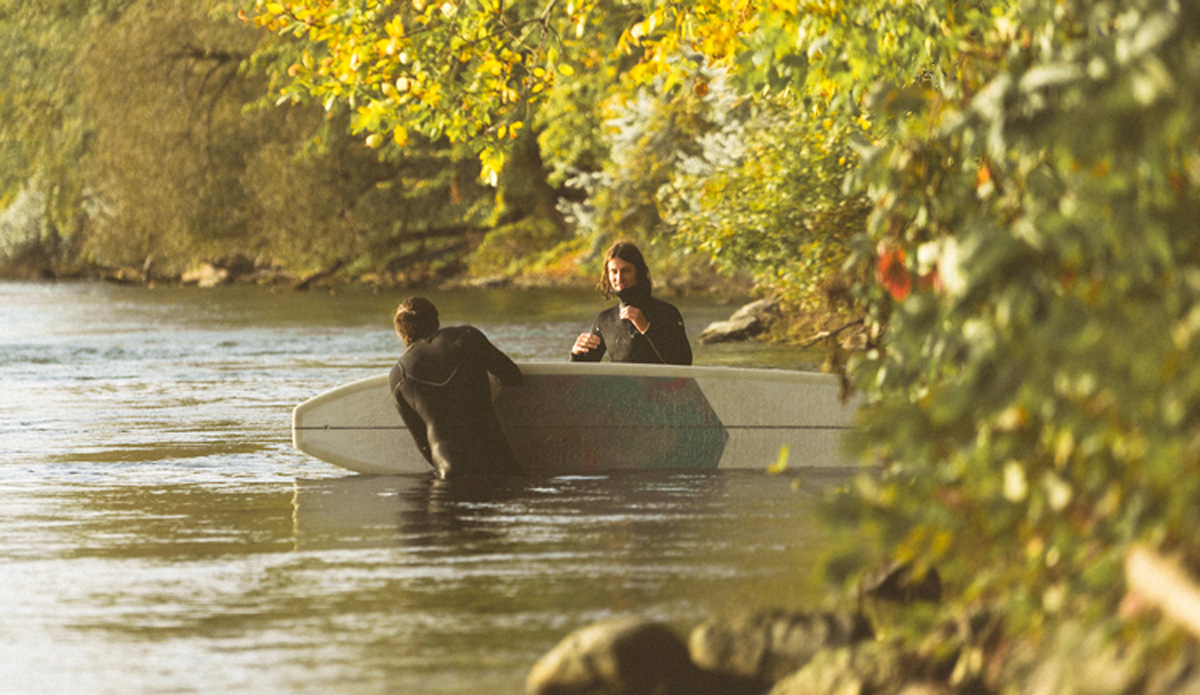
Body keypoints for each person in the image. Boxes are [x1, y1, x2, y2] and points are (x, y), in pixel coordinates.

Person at [388, 297, 524, 479]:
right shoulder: (467, 336)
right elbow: (513, 377)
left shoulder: (398, 375)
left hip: (450, 472)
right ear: (436, 322)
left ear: (400, 333)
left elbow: (423, 443)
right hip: (494, 459)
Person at [570, 241, 693, 365]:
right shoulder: (605, 320)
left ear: (638, 272)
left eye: (626, 271)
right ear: (607, 275)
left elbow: (684, 363)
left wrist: (646, 328)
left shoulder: (666, 312)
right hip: (621, 379)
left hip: (658, 378)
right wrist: (576, 354)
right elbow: (584, 370)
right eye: (614, 272)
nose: (619, 278)